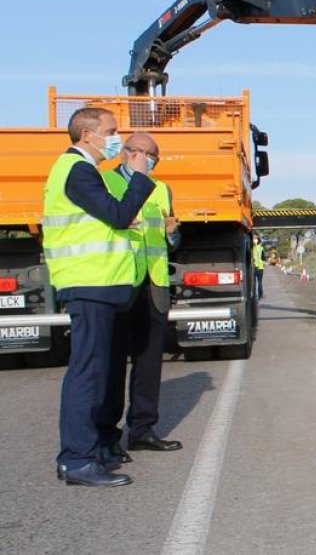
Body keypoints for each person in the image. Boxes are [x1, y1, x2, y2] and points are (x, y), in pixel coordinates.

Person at [44, 107, 154, 487]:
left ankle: (97, 448)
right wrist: (139, 176)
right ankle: (76, 459)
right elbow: (119, 216)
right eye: (110, 130)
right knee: (87, 374)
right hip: (89, 285)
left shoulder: (84, 171)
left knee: (102, 371)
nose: (115, 137)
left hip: (103, 286)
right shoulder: (76, 170)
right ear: (87, 134)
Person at [97, 132, 184, 457]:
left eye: (150, 155)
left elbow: (168, 239)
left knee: (149, 361)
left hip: (154, 283)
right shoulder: (104, 182)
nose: (143, 158)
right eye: (137, 152)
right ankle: (106, 435)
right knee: (113, 361)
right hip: (119, 282)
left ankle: (143, 430)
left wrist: (173, 234)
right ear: (124, 154)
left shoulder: (161, 188)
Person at [251, 233, 265, 299]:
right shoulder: (261, 248)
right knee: (260, 282)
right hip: (260, 268)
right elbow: (263, 258)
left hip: (254, 268)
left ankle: (253, 295)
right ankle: (260, 295)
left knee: (253, 283)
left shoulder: (252, 248)